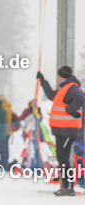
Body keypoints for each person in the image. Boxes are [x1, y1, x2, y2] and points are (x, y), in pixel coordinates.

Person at [38, 66, 83, 195]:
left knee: (63, 158)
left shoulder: (72, 88)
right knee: (61, 157)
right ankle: (66, 187)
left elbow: (80, 98)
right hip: (61, 129)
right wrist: (43, 82)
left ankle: (68, 188)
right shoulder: (64, 88)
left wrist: (70, 110)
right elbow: (52, 95)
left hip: (68, 128)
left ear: (61, 75)